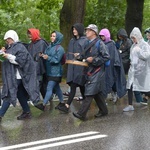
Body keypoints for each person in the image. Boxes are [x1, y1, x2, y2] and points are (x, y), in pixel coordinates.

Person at [0, 30, 40, 121]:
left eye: (9, 39)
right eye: (6, 39)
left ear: (13, 38)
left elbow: (21, 61)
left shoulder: (20, 47)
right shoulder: (8, 47)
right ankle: (26, 112)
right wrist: (2, 53)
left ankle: (0, 114)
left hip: (18, 76)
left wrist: (8, 56)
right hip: (12, 75)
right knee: (19, 93)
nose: (7, 41)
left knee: (9, 93)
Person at [72, 24, 110, 120]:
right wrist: (79, 56)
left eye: (88, 30)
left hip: (97, 72)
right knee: (96, 93)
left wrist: (93, 60)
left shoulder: (100, 43)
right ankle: (104, 110)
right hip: (89, 71)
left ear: (94, 32)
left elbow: (106, 57)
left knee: (89, 92)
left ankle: (81, 114)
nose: (86, 32)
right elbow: (84, 56)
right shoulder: (88, 43)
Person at [58, 23, 88, 113]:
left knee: (75, 85)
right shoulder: (72, 40)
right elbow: (69, 53)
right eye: (73, 29)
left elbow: (86, 54)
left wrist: (80, 56)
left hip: (80, 68)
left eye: (75, 29)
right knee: (80, 87)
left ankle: (67, 105)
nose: (74, 31)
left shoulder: (85, 41)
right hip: (73, 67)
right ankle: (86, 103)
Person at [35, 31, 65, 111]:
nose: (52, 37)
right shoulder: (49, 46)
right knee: (57, 88)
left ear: (58, 38)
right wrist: (42, 55)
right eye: (51, 35)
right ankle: (62, 103)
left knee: (49, 88)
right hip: (49, 71)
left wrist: (48, 58)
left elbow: (56, 60)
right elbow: (46, 55)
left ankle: (43, 105)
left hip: (56, 72)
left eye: (54, 36)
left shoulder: (60, 49)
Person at [123, 27, 150, 112]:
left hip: (142, 71)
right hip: (134, 70)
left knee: (146, 89)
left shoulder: (145, 45)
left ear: (138, 36)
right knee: (130, 86)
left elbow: (146, 56)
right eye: (132, 38)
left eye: (134, 38)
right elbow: (131, 57)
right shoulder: (133, 46)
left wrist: (139, 52)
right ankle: (130, 105)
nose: (133, 40)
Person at [99, 28, 127, 103]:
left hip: (110, 66)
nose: (102, 38)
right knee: (104, 82)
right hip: (103, 66)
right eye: (101, 36)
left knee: (111, 81)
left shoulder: (111, 45)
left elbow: (115, 56)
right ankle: (104, 99)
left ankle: (113, 94)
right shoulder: (101, 44)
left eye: (103, 36)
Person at [27, 28, 49, 99]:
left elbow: (46, 54)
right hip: (33, 68)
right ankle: (47, 99)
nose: (29, 35)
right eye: (28, 34)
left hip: (40, 68)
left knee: (38, 84)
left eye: (30, 34)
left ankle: (35, 100)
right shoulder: (31, 44)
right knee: (41, 85)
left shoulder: (42, 43)